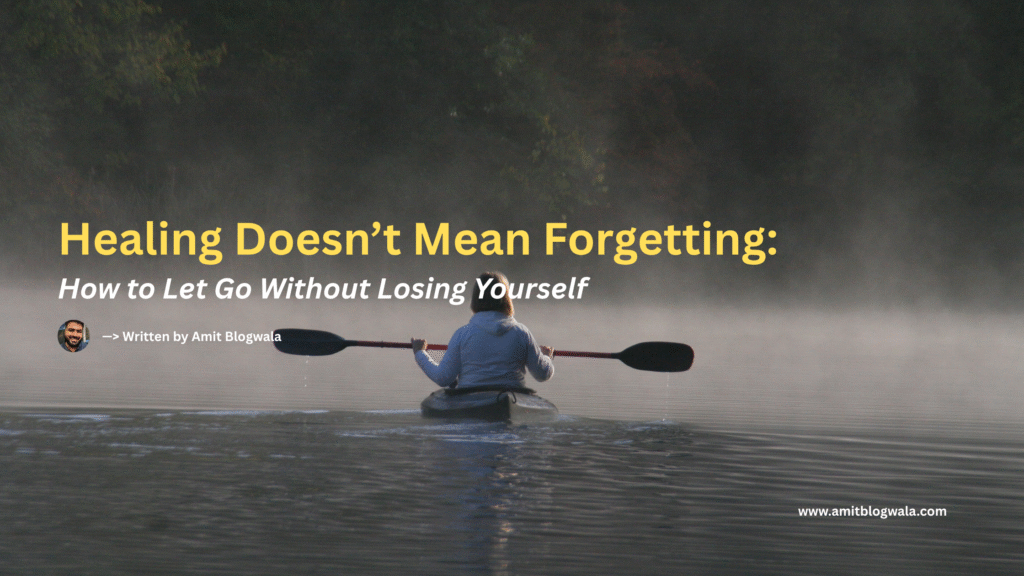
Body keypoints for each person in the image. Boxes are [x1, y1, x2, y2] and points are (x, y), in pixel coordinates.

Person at [412, 272, 554, 390]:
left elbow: (443, 378)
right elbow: (542, 374)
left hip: (469, 399)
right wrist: (546, 357)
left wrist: (420, 353)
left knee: (452, 385)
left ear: (475, 299)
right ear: (507, 299)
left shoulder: (463, 334)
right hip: (512, 397)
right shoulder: (522, 333)